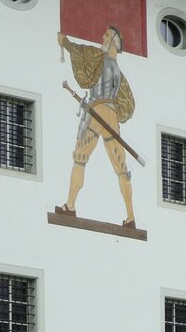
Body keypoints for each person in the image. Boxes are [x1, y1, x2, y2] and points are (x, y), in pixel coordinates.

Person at [56, 26, 137, 228]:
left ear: (115, 42)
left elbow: (79, 51)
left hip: (95, 112)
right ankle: (131, 217)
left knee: (80, 158)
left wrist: (65, 42)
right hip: (111, 116)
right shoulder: (121, 75)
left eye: (108, 35)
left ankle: (70, 206)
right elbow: (127, 105)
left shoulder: (98, 58)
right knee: (121, 167)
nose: (103, 36)